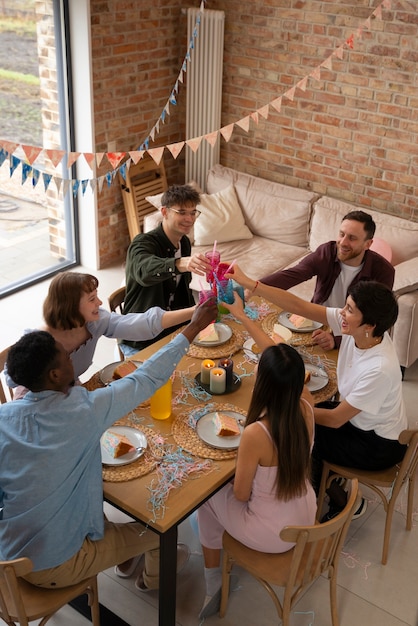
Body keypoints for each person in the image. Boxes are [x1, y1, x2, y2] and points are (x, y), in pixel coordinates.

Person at [0, 298, 217, 591]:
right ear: (53, 375)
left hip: (9, 554)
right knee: (162, 534)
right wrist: (192, 329)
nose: (70, 360)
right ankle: (150, 583)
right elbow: (147, 377)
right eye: (65, 357)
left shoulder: (4, 417)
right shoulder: (82, 411)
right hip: (55, 564)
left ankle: (121, 556)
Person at [228, 265, 408, 520]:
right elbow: (300, 307)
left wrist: (290, 410)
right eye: (345, 306)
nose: (341, 314)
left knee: (299, 436)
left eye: (349, 310)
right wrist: (251, 284)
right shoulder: (362, 331)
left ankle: (338, 502)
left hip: (376, 442)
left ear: (370, 324)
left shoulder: (379, 368)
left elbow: (336, 420)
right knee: (300, 423)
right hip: (359, 420)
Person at [196, 343, 316, 619]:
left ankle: (213, 580)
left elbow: (240, 495)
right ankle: (215, 557)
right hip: (305, 515)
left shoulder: (256, 433)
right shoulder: (307, 408)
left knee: (206, 497)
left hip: (274, 533)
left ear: (263, 383)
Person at [7, 271, 197, 396]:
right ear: (70, 306)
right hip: (37, 405)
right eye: (92, 299)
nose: (99, 302)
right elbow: (11, 377)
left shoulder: (94, 323)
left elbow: (143, 323)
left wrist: (195, 312)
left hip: (72, 392)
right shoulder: (40, 341)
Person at [259, 210, 394, 350]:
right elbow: (295, 274)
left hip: (351, 333)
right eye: (342, 234)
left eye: (352, 238)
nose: (343, 242)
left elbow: (373, 321)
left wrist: (336, 340)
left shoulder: (383, 271)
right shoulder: (327, 252)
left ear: (368, 244)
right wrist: (255, 287)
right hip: (316, 322)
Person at [122, 184, 213, 355]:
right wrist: (180, 263)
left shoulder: (184, 242)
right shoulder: (142, 243)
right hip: (141, 338)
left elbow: (183, 292)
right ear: (164, 212)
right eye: (182, 212)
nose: (190, 218)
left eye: (193, 212)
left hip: (172, 331)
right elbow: (144, 271)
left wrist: (197, 319)